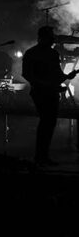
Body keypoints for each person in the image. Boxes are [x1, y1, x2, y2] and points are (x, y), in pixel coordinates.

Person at [22, 26, 78, 166]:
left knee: (48, 122)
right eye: (50, 36)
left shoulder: (50, 53)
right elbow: (27, 74)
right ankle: (41, 156)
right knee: (47, 122)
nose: (53, 38)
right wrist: (45, 84)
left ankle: (42, 155)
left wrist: (67, 76)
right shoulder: (34, 53)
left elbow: (57, 75)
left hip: (49, 91)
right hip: (42, 92)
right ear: (43, 37)